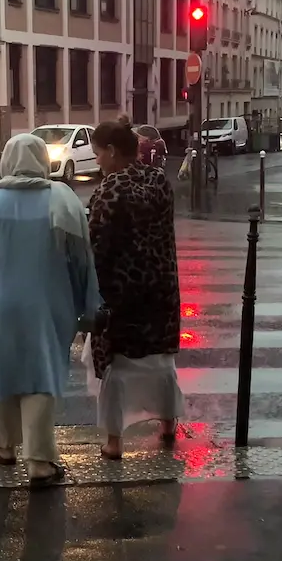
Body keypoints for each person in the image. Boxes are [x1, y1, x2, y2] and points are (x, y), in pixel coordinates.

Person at [0, 133, 97, 486]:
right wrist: (89, 304)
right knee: (40, 378)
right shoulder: (62, 201)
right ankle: (40, 462)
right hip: (47, 305)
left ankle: (4, 448)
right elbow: (82, 259)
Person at [87, 120, 184, 460]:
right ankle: (169, 423)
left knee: (117, 369)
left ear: (112, 152)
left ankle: (114, 442)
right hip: (161, 289)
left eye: (98, 154)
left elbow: (97, 247)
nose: (97, 161)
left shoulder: (109, 191)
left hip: (122, 294)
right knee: (159, 362)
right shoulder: (159, 179)